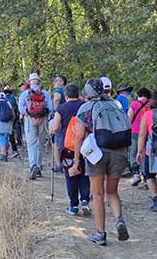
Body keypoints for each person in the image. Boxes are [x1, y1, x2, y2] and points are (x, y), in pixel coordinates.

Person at [74, 78, 130, 245]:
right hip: (119, 152)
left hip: (97, 153)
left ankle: (100, 234)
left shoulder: (86, 108)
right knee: (112, 191)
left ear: (88, 92)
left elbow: (79, 136)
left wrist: (76, 161)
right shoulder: (116, 105)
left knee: (98, 194)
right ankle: (119, 219)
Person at [49, 83, 90, 216]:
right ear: (78, 94)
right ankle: (85, 200)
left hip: (68, 146)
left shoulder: (62, 108)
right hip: (85, 144)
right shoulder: (85, 106)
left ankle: (73, 206)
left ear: (66, 96)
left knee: (70, 175)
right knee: (84, 174)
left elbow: (55, 128)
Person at [19, 73, 54, 180]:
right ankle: (38, 166)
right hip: (43, 120)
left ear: (29, 82)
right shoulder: (45, 93)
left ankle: (33, 165)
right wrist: (42, 117)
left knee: (31, 144)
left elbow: (21, 108)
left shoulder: (24, 94)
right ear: (39, 82)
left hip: (30, 120)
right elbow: (51, 108)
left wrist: (31, 116)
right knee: (40, 143)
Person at [128, 88, 152, 186]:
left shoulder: (133, 104)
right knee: (146, 153)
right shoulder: (151, 105)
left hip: (135, 131)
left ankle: (136, 174)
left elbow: (129, 118)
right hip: (148, 132)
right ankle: (146, 176)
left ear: (138, 95)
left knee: (134, 153)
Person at [52, 76, 67, 173]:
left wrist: (56, 110)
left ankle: (58, 165)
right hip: (68, 117)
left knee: (57, 142)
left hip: (59, 118)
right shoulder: (67, 91)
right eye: (55, 80)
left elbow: (57, 99)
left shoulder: (58, 90)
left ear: (62, 83)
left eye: (58, 80)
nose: (56, 82)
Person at [4, 86, 20, 158]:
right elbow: (17, 107)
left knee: (7, 134)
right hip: (13, 117)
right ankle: (13, 149)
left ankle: (9, 150)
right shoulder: (13, 97)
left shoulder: (3, 97)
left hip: (5, 118)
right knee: (11, 133)